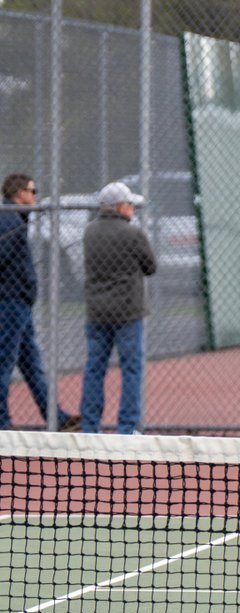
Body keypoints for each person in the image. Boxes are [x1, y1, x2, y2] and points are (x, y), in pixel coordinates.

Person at [0, 173, 80, 432]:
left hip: (19, 302)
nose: (35, 197)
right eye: (32, 191)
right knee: (4, 362)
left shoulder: (15, 219)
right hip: (11, 303)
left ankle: (56, 417)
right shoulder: (8, 219)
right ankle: (2, 421)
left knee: (32, 365)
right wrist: (21, 284)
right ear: (19, 192)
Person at [80, 181, 156, 435]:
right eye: (130, 204)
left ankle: (91, 425)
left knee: (94, 368)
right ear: (120, 207)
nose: (132, 208)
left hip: (97, 311)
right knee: (131, 369)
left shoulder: (90, 231)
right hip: (127, 312)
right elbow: (150, 266)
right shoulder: (133, 234)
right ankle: (127, 427)